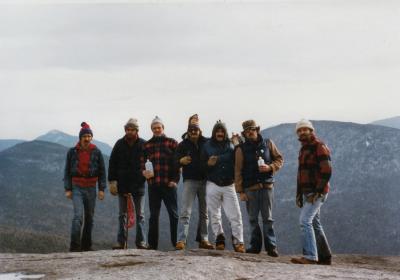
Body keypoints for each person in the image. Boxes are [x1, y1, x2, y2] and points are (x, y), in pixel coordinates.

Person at [235, 120, 283, 256]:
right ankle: (255, 246)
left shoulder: (268, 143)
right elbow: (238, 171)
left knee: (268, 218)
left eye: (252, 129)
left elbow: (279, 159)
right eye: (247, 131)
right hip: (250, 188)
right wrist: (240, 191)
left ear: (257, 130)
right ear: (244, 134)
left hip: (267, 186)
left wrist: (270, 167)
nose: (250, 132)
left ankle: (271, 247)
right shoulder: (240, 149)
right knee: (252, 219)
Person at [291, 119, 333, 265]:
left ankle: (310, 256)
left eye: (305, 129)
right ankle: (325, 256)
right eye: (300, 130)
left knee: (304, 221)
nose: (302, 132)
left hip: (316, 192)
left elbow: (327, 170)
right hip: (307, 193)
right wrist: (299, 195)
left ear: (311, 131)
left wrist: (318, 191)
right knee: (315, 223)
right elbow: (301, 174)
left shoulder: (319, 146)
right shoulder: (304, 149)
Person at [201, 120, 245, 253]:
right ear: (214, 132)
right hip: (212, 183)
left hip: (229, 184)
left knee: (235, 215)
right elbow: (201, 166)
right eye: (217, 131)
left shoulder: (232, 144)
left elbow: (242, 155)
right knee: (214, 214)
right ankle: (219, 240)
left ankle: (239, 242)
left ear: (225, 132)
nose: (219, 133)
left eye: (222, 131)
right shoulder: (206, 146)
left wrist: (239, 141)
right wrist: (208, 164)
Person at [63, 122, 106, 252]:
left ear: (91, 137)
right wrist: (68, 189)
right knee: (77, 217)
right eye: (85, 136)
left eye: (89, 136)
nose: (87, 138)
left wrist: (102, 189)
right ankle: (75, 247)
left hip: (91, 188)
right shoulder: (72, 152)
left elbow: (102, 171)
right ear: (80, 137)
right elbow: (67, 171)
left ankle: (86, 246)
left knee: (90, 218)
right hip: (77, 187)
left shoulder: (96, 152)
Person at [175, 114, 214, 250]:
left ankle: (204, 239)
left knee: (205, 212)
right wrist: (180, 161)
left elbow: (220, 146)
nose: (193, 132)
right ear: (188, 130)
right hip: (189, 181)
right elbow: (174, 161)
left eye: (195, 129)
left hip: (205, 181)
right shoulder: (182, 145)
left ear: (200, 130)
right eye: (191, 129)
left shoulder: (207, 143)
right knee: (186, 211)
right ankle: (181, 240)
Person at [108, 118, 148, 249]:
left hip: (139, 185)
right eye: (128, 129)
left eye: (132, 129)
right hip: (122, 185)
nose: (130, 131)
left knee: (140, 215)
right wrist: (112, 181)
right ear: (125, 130)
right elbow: (112, 163)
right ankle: (121, 242)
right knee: (122, 215)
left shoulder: (143, 144)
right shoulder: (119, 144)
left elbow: (150, 163)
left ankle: (141, 242)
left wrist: (148, 175)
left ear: (137, 130)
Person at [142, 116, 180, 250]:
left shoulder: (172, 143)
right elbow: (142, 164)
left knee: (174, 215)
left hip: (169, 185)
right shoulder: (147, 145)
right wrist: (144, 173)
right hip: (153, 185)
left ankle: (177, 243)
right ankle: (152, 245)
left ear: (163, 128)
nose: (157, 130)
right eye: (154, 128)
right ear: (151, 129)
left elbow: (178, 163)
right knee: (153, 216)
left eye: (159, 127)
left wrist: (175, 180)